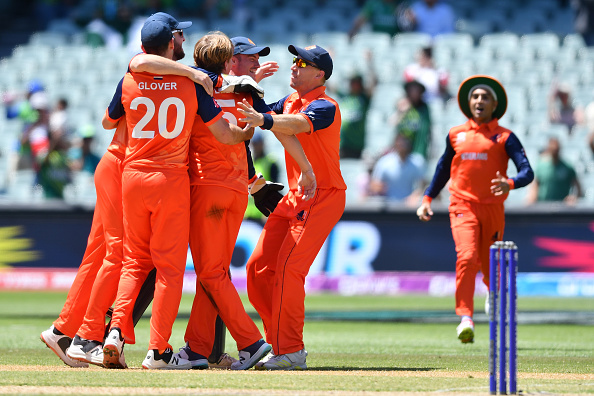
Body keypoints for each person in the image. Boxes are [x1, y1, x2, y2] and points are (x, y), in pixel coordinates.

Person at [40, 12, 215, 369]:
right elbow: (139, 61)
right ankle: (84, 335)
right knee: (117, 256)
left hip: (125, 169)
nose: (183, 42)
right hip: (125, 166)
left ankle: (73, 331)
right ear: (169, 41)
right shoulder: (149, 71)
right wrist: (192, 73)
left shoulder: (139, 75)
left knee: (110, 255)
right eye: (179, 36)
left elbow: (109, 117)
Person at [238, 44, 344, 370]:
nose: (294, 66)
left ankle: (291, 350)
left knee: (288, 270)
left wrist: (265, 119)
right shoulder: (290, 101)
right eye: (295, 61)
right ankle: (279, 343)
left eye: (303, 62)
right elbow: (263, 114)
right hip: (296, 197)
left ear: (320, 74)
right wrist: (249, 81)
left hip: (322, 195)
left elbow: (293, 125)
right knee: (258, 269)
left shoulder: (326, 105)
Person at [416, 75, 534, 344]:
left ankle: (492, 292)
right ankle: (465, 317)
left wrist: (510, 184)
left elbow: (527, 172)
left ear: (495, 105)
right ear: (469, 103)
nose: (479, 101)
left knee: (490, 264)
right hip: (462, 205)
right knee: (467, 257)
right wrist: (427, 198)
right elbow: (443, 169)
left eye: (485, 97)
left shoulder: (505, 137)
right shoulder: (456, 134)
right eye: (475, 97)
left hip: (492, 209)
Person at [332, 49, 377, 159]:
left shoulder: (364, 98)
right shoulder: (345, 96)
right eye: (352, 82)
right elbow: (329, 84)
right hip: (342, 143)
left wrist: (370, 63)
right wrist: (330, 61)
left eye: (356, 82)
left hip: (357, 145)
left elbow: (373, 83)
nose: (353, 85)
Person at [369, 132, 425, 205]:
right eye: (400, 141)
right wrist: (381, 187)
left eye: (405, 141)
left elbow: (423, 184)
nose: (402, 144)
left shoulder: (417, 162)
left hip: (409, 206)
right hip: (389, 206)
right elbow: (374, 184)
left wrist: (416, 195)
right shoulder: (385, 162)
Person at [526, 137, 582, 204]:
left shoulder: (567, 167)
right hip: (543, 206)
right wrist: (531, 199)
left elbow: (578, 187)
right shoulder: (541, 166)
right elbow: (535, 185)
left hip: (562, 207)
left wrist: (574, 197)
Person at [244, 132, 281, 221]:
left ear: (263, 143)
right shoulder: (249, 163)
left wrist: (270, 211)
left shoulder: (271, 163)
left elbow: (275, 189)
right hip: (247, 214)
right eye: (255, 143)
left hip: (262, 215)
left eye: (258, 143)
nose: (257, 146)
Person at [391, 80, 432, 160]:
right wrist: (401, 111)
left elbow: (428, 129)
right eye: (412, 90)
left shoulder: (424, 108)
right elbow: (392, 123)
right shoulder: (402, 106)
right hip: (401, 152)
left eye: (417, 90)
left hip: (418, 151)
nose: (414, 92)